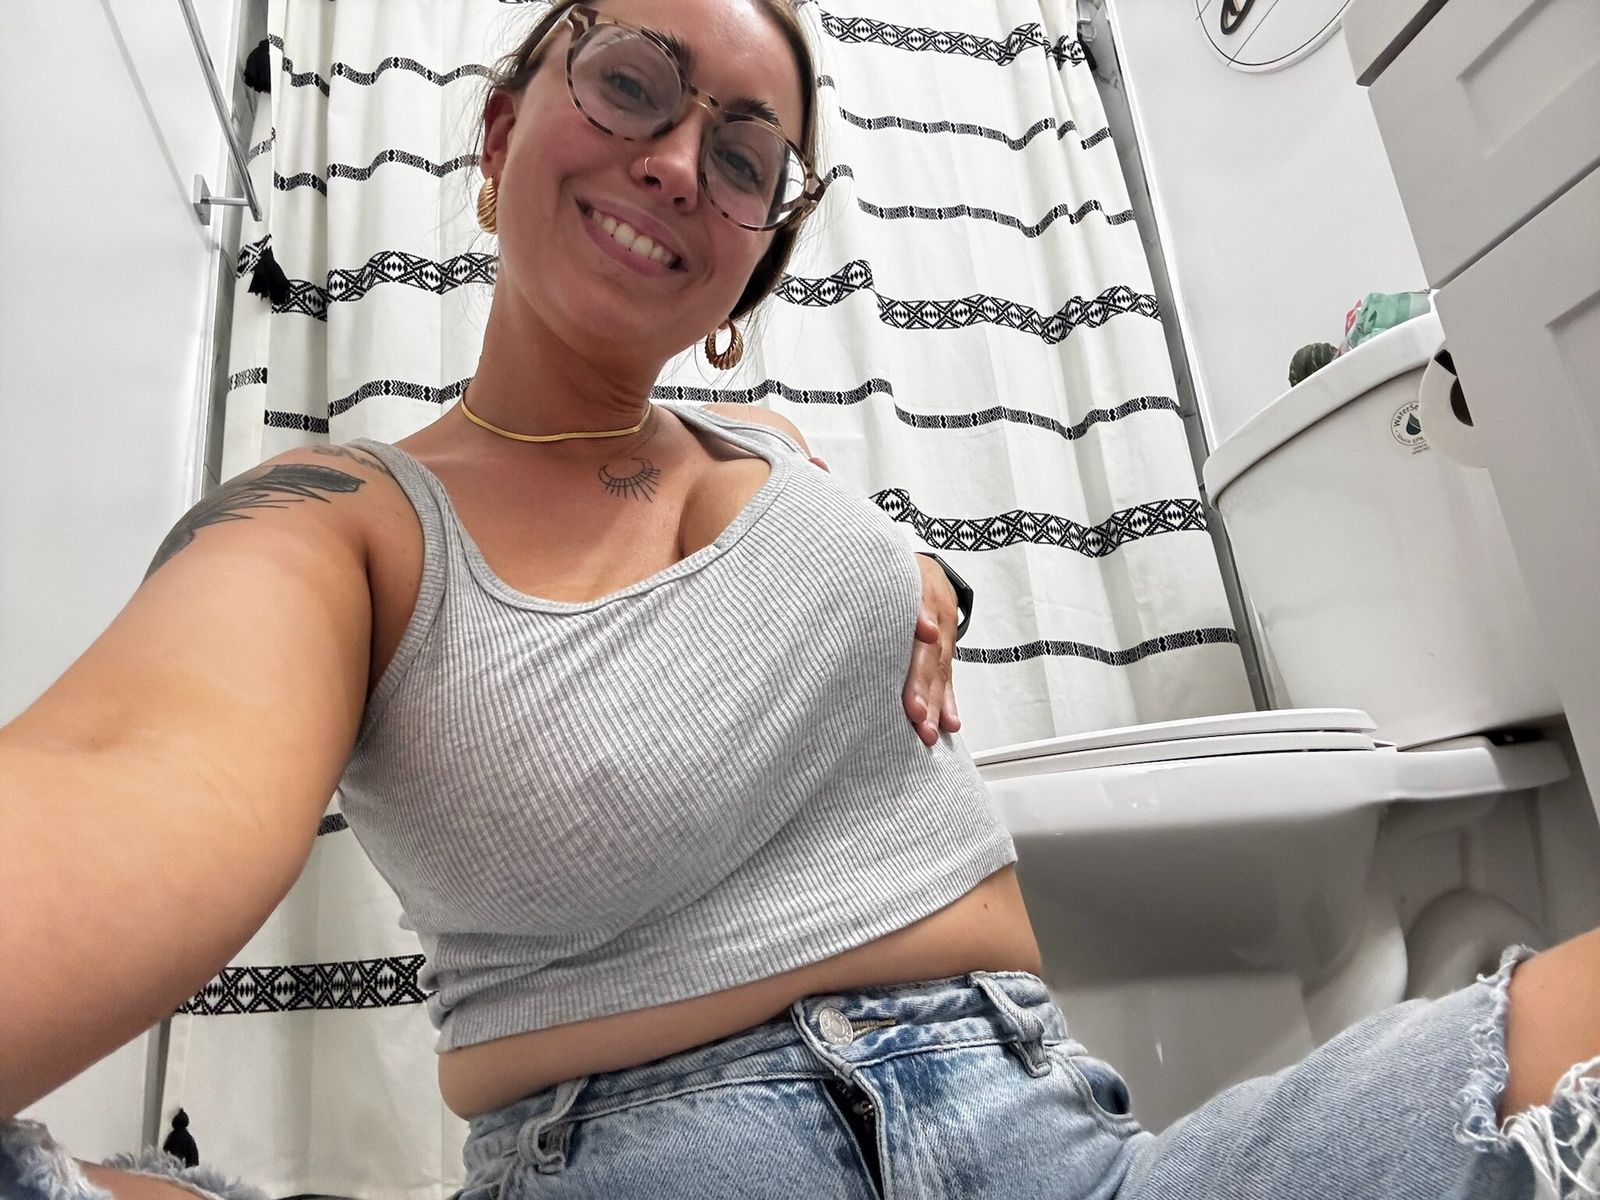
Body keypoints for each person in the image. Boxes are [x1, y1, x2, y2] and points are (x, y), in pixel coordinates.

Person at [1, 0, 1596, 1197]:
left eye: (744, 155)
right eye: (632, 84)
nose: (677, 162)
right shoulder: (336, 525)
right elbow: (126, 775)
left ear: (755, 254)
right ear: (499, 132)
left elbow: (838, 589)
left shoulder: (768, 443)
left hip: (1043, 1135)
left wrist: (926, 578)